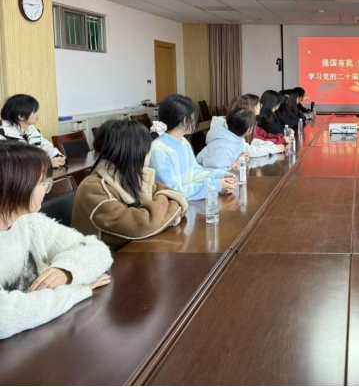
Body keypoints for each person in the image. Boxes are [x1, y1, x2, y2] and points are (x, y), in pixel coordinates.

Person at [0, 143, 112, 340]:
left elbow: (98, 250)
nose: (46, 189)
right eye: (41, 182)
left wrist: (66, 272)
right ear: (15, 185)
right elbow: (5, 318)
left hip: (42, 335)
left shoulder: (30, 222)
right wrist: (78, 289)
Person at [72, 120, 188, 250]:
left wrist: (161, 214)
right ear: (134, 151)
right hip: (102, 260)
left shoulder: (132, 175)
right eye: (148, 147)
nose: (151, 151)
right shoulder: (93, 188)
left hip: (135, 253)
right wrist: (166, 213)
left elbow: (176, 197)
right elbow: (141, 226)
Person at [149, 94, 237, 201]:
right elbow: (173, 193)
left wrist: (221, 176)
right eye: (194, 118)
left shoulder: (183, 141)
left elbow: (196, 173)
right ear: (185, 121)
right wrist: (214, 186)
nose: (195, 121)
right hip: (174, 207)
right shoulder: (158, 150)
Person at [0, 94, 65, 169]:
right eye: (34, 112)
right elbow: (12, 165)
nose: (38, 115)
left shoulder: (32, 130)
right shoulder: (2, 136)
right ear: (21, 116)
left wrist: (58, 158)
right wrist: (48, 163)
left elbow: (47, 148)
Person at [197, 108, 264, 170]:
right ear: (248, 129)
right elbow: (217, 172)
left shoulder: (233, 139)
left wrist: (238, 160)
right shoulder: (224, 147)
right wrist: (234, 164)